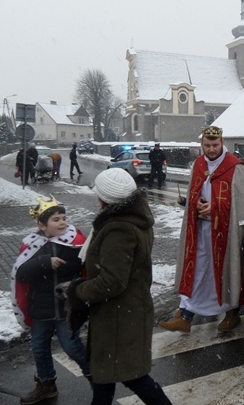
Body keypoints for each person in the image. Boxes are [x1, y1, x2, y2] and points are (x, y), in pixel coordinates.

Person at [71, 168, 172, 405]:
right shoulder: (134, 219)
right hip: (122, 312)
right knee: (105, 378)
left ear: (105, 198)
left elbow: (112, 282)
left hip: (119, 316)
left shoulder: (119, 228)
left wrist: (78, 290)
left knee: (131, 377)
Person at [159, 126, 244, 333]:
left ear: (223, 142)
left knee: (227, 271)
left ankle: (231, 313)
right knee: (197, 269)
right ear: (202, 144)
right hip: (201, 229)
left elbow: (243, 203)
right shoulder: (199, 164)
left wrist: (216, 207)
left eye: (215, 145)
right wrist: (197, 201)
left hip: (226, 234)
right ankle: (186, 315)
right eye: (207, 145)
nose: (211, 150)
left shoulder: (236, 167)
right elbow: (194, 191)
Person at [10, 196, 90, 404]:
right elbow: (21, 274)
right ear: (41, 225)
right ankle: (47, 384)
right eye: (56, 219)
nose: (62, 222)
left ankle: (95, 376)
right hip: (41, 309)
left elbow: (85, 267)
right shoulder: (32, 244)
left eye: (63, 218)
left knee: (72, 347)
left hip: (66, 308)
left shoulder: (76, 241)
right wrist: (45, 262)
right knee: (39, 347)